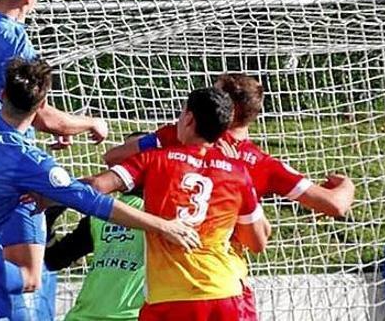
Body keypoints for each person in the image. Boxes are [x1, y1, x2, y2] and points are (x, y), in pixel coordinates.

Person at [0, 58, 200, 321]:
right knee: (30, 278)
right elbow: (95, 202)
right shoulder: (27, 162)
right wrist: (163, 226)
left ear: (3, 93)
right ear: (42, 104)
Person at [104, 73, 356, 321]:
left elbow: (114, 157)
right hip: (225, 286)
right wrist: (348, 184)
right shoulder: (260, 164)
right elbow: (335, 204)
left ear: (228, 108)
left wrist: (154, 150)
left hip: (170, 288)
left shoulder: (177, 135)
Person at [0, 0, 109, 310]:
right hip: (10, 162)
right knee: (29, 274)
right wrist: (90, 124)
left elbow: (13, 101)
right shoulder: (15, 38)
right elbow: (39, 113)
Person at [85, 87, 270, 321]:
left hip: (171, 300)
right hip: (223, 294)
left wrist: (48, 193)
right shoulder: (238, 172)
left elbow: (96, 187)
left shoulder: (156, 159)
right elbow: (257, 242)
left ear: (189, 118)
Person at [42, 133, 148, 321]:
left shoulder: (165, 213)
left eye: (134, 155)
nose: (123, 161)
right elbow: (54, 259)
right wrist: (53, 211)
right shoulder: (102, 215)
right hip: (83, 317)